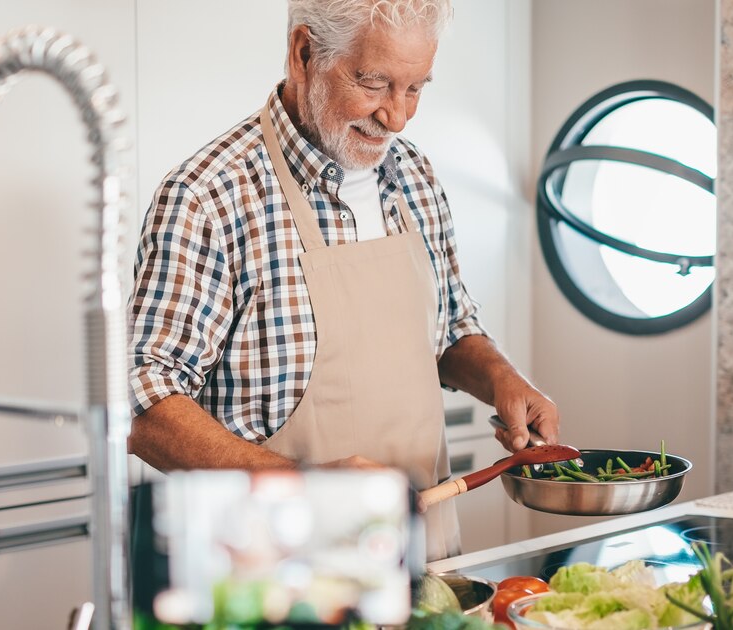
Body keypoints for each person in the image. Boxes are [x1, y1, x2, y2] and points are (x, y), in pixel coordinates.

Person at [128, 0, 558, 560]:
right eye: (375, 83)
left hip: (424, 560)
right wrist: (306, 486)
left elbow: (450, 327)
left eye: (416, 88)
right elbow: (142, 405)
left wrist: (501, 378)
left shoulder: (415, 176)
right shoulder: (209, 197)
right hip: (278, 572)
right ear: (304, 52)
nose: (397, 118)